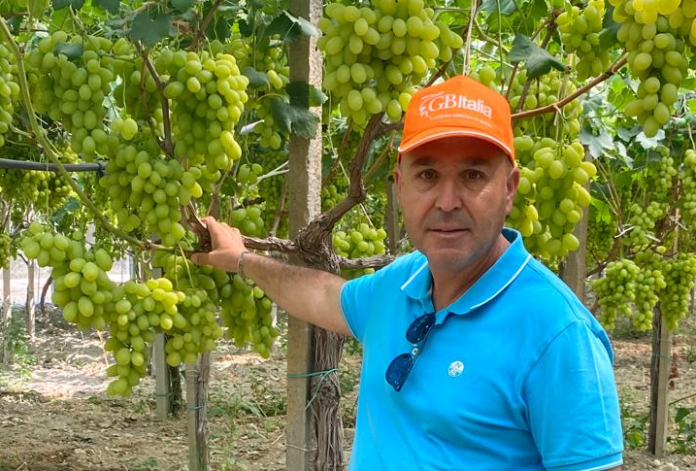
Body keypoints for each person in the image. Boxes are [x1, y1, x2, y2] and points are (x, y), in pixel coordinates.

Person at [191, 75, 624, 471]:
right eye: (428, 175)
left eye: (473, 175)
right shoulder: (401, 283)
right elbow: (322, 295)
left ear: (509, 188)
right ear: (400, 185)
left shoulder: (558, 334)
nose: (447, 201)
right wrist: (242, 260)